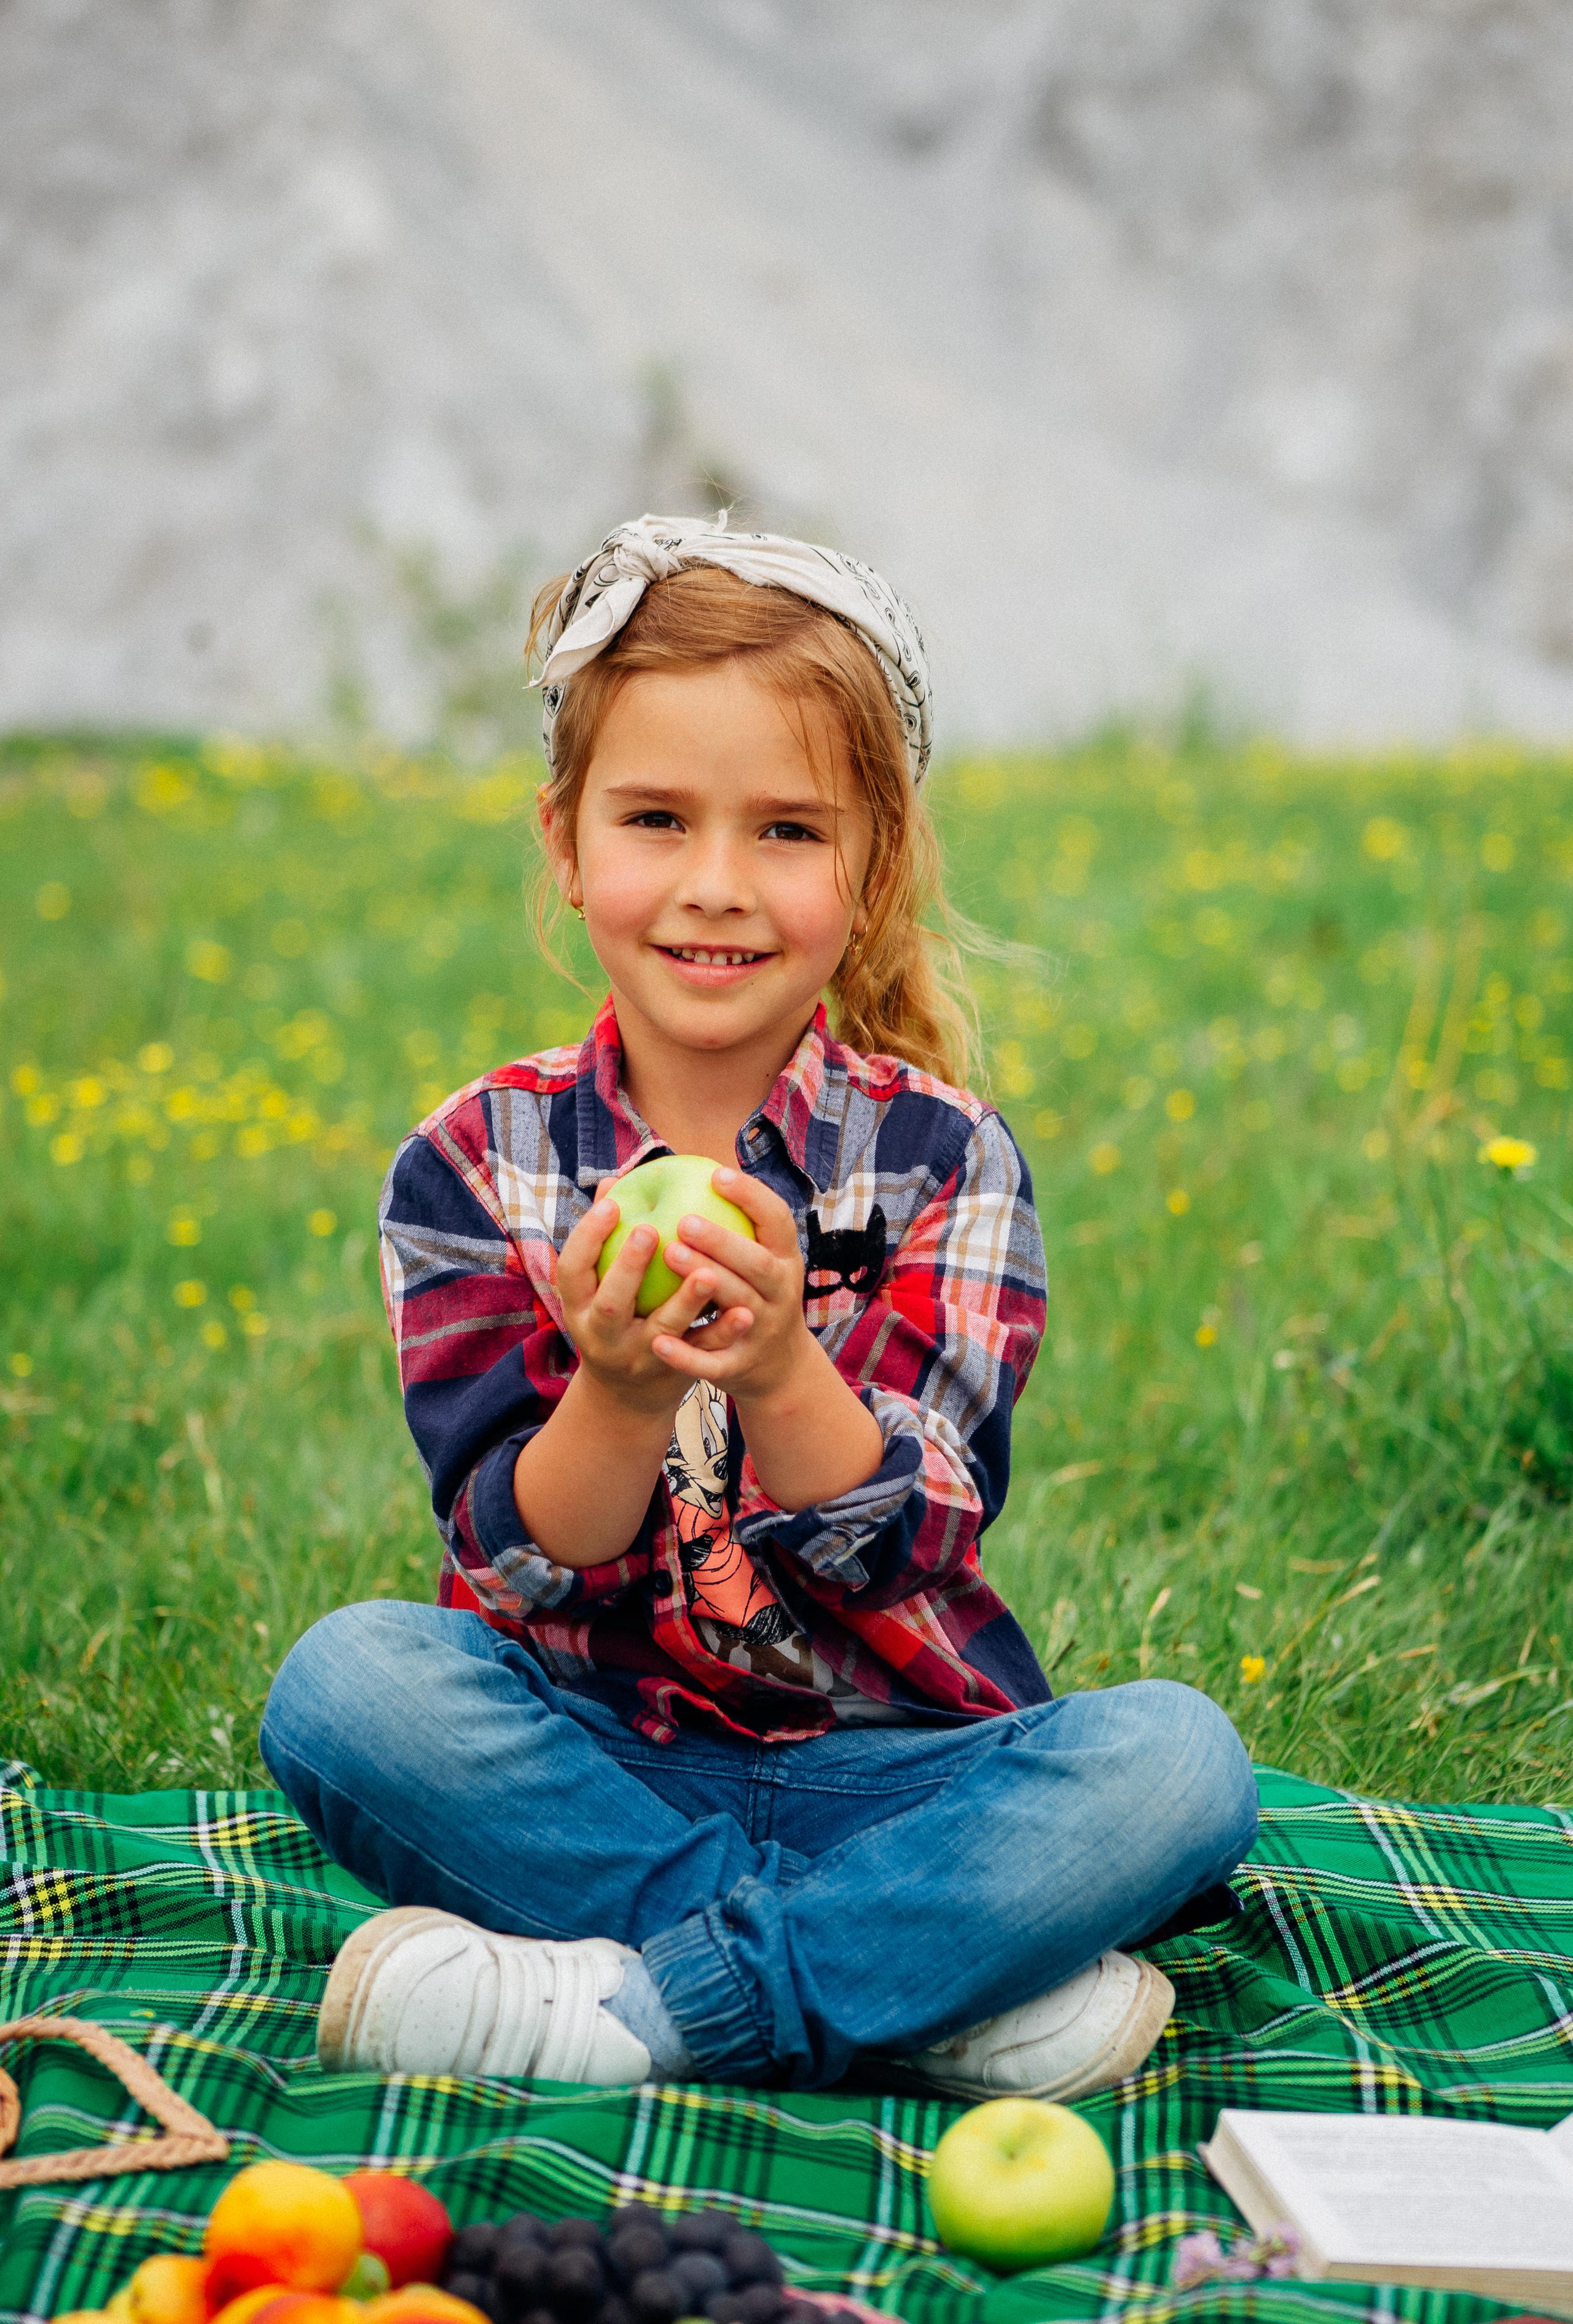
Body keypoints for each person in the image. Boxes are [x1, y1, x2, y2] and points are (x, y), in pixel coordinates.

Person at [261, 516, 1258, 2097]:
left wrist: (785, 1363)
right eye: (656, 817)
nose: (714, 887)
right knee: (348, 1688)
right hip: (592, 1761)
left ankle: (627, 2015)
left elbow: (921, 1530)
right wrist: (618, 1385)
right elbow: (517, 1553)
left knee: (1176, 1766)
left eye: (787, 832)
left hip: (903, 1774)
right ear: (566, 843)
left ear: (867, 872)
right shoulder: (473, 1161)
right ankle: (921, 1991)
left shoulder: (948, 1158)